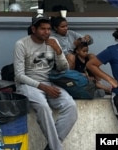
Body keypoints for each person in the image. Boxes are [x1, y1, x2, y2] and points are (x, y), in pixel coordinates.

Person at [13, 15, 77, 150]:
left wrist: (58, 52)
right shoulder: (21, 44)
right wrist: (42, 87)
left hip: (50, 82)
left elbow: (63, 68)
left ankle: (51, 147)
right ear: (34, 29)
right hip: (28, 84)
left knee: (71, 106)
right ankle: (57, 148)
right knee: (43, 108)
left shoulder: (53, 42)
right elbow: (19, 75)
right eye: (43, 29)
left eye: (48, 29)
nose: (47, 32)